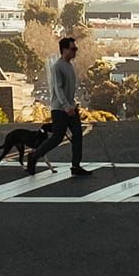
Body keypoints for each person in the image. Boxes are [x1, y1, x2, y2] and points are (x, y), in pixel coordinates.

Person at [27, 36, 90, 178]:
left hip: (71, 108)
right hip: (60, 109)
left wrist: (73, 105)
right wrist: (67, 106)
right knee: (57, 138)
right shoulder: (57, 67)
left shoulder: (69, 66)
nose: (75, 52)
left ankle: (75, 165)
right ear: (64, 49)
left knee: (78, 134)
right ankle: (34, 156)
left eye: (76, 49)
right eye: (73, 49)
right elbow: (58, 89)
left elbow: (69, 89)